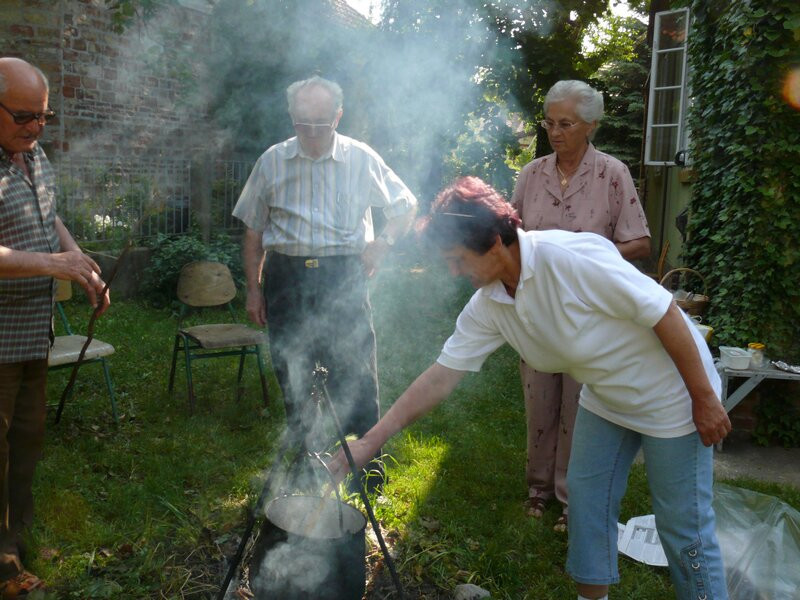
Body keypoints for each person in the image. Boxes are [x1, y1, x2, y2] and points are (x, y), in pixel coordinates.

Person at [329, 176, 731, 600]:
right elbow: (442, 375)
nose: (452, 271)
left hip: (672, 390)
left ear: (493, 242)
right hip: (607, 396)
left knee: (682, 526)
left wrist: (703, 398)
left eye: (456, 258)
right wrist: (371, 440)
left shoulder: (569, 258)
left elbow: (664, 312)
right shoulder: (491, 303)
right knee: (587, 507)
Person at [232, 75, 417, 489]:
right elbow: (253, 233)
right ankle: (304, 464)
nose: (312, 133)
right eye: (302, 123)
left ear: (338, 115)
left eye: (321, 122)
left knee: (355, 371)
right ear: (291, 117)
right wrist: (254, 288)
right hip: (287, 277)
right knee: (291, 369)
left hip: (342, 277)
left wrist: (383, 243)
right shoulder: (272, 161)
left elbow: (406, 205)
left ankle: (365, 473)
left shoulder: (361, 159)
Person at [511, 80, 651, 531]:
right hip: (539, 308)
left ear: (591, 124)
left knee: (580, 401)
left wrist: (586, 256)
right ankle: (537, 488)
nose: (556, 131)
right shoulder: (531, 174)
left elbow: (640, 241)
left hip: (591, 310)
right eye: (550, 122)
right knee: (539, 397)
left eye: (566, 123)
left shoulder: (612, 174)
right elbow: (509, 234)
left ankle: (573, 496)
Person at [0, 57, 110, 595]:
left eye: (44, 117)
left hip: (31, 332)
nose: (36, 127)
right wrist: (52, 265)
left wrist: (78, 258)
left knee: (25, 442)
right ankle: (2, 566)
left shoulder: (33, 155)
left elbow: (50, 215)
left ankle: (15, 534)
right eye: (24, 116)